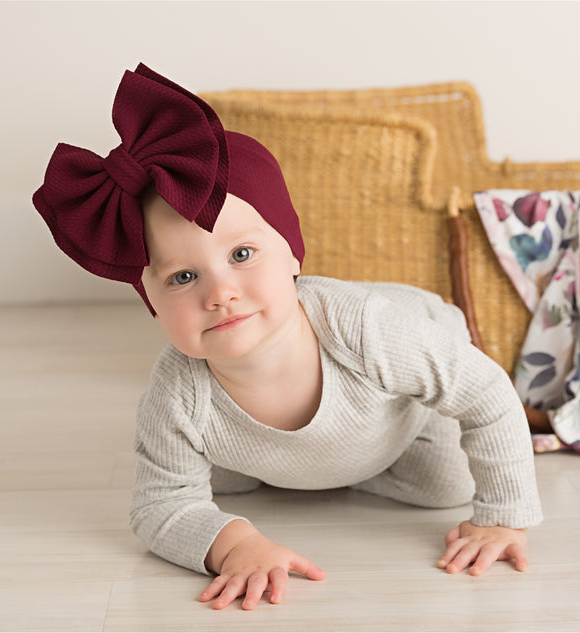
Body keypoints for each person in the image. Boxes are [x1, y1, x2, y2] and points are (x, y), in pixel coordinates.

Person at [32, 64, 542, 611]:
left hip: (403, 399)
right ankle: (310, 469)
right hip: (285, 447)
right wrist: (235, 544)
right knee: (220, 489)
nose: (220, 293)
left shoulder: (363, 326)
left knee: (446, 485)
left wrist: (502, 517)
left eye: (242, 255)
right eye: (183, 277)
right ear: (153, 304)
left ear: (292, 255)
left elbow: (486, 394)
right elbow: (158, 507)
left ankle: (342, 467)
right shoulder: (177, 392)